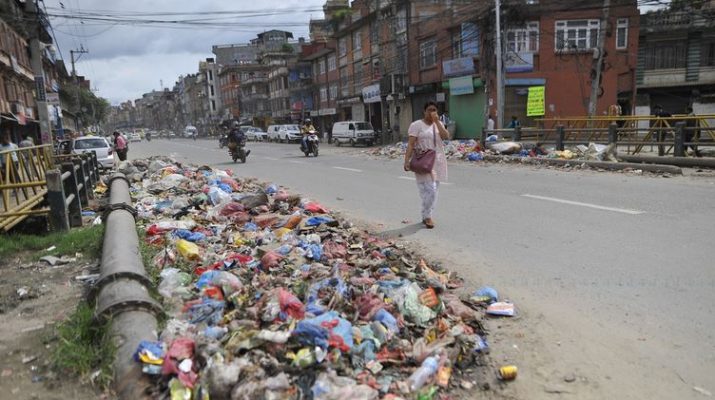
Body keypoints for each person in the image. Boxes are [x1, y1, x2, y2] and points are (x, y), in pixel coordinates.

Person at [403, 101, 450, 229]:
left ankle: (426, 214)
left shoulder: (438, 124)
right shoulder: (416, 125)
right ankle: (427, 216)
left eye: (434, 110)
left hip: (437, 161)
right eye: (429, 110)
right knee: (430, 190)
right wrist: (406, 160)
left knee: (433, 190)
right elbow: (411, 144)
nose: (432, 112)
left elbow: (446, 136)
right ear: (424, 111)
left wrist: (437, 123)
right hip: (423, 160)